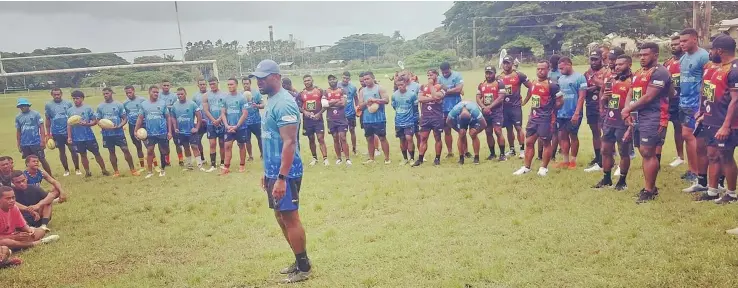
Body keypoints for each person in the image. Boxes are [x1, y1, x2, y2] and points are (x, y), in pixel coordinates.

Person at [250, 59, 311, 283]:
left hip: (287, 173)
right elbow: (270, 140)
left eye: (263, 78)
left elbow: (289, 143)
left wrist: (282, 178)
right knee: (280, 216)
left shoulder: (285, 103)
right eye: (256, 78)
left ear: (276, 76)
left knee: (290, 217)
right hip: (274, 172)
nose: (259, 82)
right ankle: (298, 258)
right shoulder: (271, 101)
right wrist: (268, 173)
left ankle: (304, 267)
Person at [621, 42, 673, 203]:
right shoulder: (638, 72)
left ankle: (649, 191)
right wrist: (627, 108)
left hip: (655, 116)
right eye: (640, 55)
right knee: (643, 151)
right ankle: (650, 187)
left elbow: (649, 97)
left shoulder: (661, 72)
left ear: (655, 55)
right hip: (639, 116)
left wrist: (627, 109)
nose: (642, 57)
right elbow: (631, 91)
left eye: (646, 55)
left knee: (648, 151)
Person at [692, 35, 738, 203]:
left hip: (726, 123)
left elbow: (735, 99)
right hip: (712, 119)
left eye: (712, 49)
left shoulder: (734, 69)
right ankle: (712, 191)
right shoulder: (717, 68)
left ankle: (731, 194)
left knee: (725, 156)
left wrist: (726, 126)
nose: (710, 52)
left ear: (720, 50)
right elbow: (710, 93)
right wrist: (703, 112)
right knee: (713, 154)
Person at [592, 55, 634, 190]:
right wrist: (604, 99)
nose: (617, 67)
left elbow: (635, 103)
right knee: (605, 150)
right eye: (616, 64)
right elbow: (603, 98)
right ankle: (606, 179)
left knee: (623, 152)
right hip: (609, 120)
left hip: (623, 122)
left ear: (629, 65)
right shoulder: (611, 80)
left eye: (621, 64)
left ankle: (622, 181)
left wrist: (631, 123)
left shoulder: (632, 82)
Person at [514, 61, 562, 176]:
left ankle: (543, 168)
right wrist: (527, 105)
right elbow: (532, 94)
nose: (540, 71)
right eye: (538, 69)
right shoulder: (533, 82)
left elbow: (560, 102)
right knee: (529, 142)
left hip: (546, 118)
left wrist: (550, 110)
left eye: (543, 69)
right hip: (533, 118)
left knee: (546, 142)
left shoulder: (552, 85)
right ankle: (526, 167)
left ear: (548, 70)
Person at [678, 28, 710, 187]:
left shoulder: (704, 56)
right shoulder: (683, 58)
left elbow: (708, 80)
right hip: (683, 103)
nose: (681, 44)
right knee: (686, 136)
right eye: (680, 41)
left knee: (692, 137)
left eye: (684, 41)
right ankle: (692, 169)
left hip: (695, 104)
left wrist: (702, 105)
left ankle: (698, 172)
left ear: (695, 39)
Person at [0, 186, 59, 250]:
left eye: (13, 197)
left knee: (41, 231)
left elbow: (23, 226)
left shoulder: (14, 208)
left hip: (13, 237)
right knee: (5, 242)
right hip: (5, 240)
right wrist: (14, 237)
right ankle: (37, 243)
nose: (12, 200)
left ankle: (16, 247)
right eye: (8, 198)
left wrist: (30, 231)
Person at [67, 90, 110, 177]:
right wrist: (69, 137)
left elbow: (94, 121)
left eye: (77, 98)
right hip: (77, 138)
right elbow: (69, 125)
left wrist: (87, 124)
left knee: (97, 153)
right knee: (83, 155)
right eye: (74, 98)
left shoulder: (88, 108)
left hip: (89, 137)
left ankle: (104, 170)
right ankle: (87, 172)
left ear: (82, 99)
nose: (75, 100)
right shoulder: (70, 111)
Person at [97, 88, 138, 177]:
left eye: (107, 93)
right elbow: (98, 120)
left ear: (111, 93)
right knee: (111, 152)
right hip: (107, 134)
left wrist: (119, 126)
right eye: (104, 94)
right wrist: (103, 126)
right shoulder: (100, 106)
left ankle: (133, 170)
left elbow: (125, 118)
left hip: (118, 133)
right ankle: (116, 172)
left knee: (125, 150)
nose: (105, 95)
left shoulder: (118, 104)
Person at [555, 57, 587, 169]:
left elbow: (582, 97)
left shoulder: (580, 78)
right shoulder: (560, 79)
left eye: (562, 68)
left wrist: (577, 113)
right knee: (562, 135)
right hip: (561, 113)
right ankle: (565, 160)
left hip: (573, 113)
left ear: (569, 64)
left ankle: (573, 160)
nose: (560, 70)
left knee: (573, 135)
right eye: (559, 68)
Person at [135, 85, 172, 178]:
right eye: (154, 92)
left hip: (162, 132)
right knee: (150, 151)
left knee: (163, 151)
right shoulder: (144, 104)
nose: (156, 94)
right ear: (149, 92)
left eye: (157, 92)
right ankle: (150, 171)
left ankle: (162, 170)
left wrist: (170, 131)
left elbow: (168, 117)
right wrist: (135, 130)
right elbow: (140, 118)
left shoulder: (162, 103)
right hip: (150, 133)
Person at [499, 56, 532, 159]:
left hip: (515, 106)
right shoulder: (499, 77)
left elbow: (531, 86)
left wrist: (526, 100)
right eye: (504, 63)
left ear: (512, 63)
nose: (506, 65)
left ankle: (522, 150)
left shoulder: (519, 75)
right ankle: (512, 149)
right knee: (508, 129)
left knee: (518, 128)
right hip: (504, 107)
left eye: (508, 63)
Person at [582, 48, 610, 172]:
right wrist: (591, 88)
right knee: (595, 132)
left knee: (605, 132)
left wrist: (596, 85)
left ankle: (605, 159)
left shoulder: (606, 71)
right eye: (591, 59)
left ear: (601, 59)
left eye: (596, 59)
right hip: (591, 105)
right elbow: (583, 88)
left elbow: (605, 86)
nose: (593, 62)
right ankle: (598, 156)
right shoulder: (587, 73)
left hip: (603, 106)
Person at [412, 69, 445, 167]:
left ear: (437, 75)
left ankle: (437, 158)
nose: (429, 76)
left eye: (432, 75)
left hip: (437, 117)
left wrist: (431, 86)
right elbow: (420, 99)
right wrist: (433, 98)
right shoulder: (422, 86)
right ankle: (420, 159)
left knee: (437, 137)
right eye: (428, 75)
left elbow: (438, 96)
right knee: (423, 138)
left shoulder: (442, 86)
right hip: (425, 117)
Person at [358, 71, 392, 164]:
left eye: (368, 79)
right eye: (364, 79)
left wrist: (376, 100)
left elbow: (386, 100)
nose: (366, 81)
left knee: (382, 138)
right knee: (369, 138)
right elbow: (360, 105)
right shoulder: (362, 91)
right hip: (367, 119)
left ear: (373, 78)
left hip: (379, 118)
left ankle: (387, 158)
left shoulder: (379, 88)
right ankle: (371, 158)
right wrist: (366, 103)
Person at [44, 88, 79, 176]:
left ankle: (77, 168)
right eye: (55, 94)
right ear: (52, 95)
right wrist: (48, 134)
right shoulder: (48, 105)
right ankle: (66, 170)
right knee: (62, 151)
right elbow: (47, 119)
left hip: (68, 131)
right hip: (56, 132)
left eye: (58, 94)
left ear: (61, 94)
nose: (57, 96)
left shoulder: (68, 103)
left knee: (73, 150)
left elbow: (73, 117)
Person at [15, 98, 52, 176]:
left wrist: (42, 140)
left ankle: (50, 176)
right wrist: (18, 144)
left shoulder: (36, 114)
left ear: (28, 105)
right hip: (24, 143)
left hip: (36, 142)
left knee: (41, 159)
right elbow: (18, 131)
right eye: (20, 106)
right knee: (28, 161)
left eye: (24, 105)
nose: (22, 107)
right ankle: (31, 177)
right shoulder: (18, 117)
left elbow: (41, 127)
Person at [477, 66, 508, 161]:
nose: (488, 75)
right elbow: (478, 97)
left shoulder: (500, 83)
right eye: (487, 73)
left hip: (496, 111)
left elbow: (501, 97)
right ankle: (492, 153)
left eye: (490, 73)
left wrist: (490, 107)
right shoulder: (481, 84)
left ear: (494, 73)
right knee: (488, 132)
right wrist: (483, 107)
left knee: (498, 131)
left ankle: (502, 154)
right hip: (486, 112)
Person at [664, 35, 686, 168]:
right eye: (672, 44)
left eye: (677, 44)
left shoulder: (687, 61)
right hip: (669, 101)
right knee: (674, 128)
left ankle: (684, 156)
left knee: (683, 129)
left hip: (683, 100)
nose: (674, 46)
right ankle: (680, 156)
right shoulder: (667, 63)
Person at [221, 78, 249, 174]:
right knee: (227, 146)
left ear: (236, 85)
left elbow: (245, 114)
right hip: (229, 127)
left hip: (240, 127)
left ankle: (242, 165)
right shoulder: (225, 98)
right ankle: (226, 167)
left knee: (241, 145)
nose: (230, 86)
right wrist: (227, 125)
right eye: (228, 84)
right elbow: (223, 113)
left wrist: (237, 126)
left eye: (231, 84)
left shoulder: (242, 98)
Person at [170, 87, 203, 170]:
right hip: (181, 132)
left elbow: (199, 116)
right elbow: (173, 117)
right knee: (186, 147)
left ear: (185, 94)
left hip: (191, 131)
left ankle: (200, 165)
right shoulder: (175, 105)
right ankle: (189, 165)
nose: (180, 96)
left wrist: (197, 128)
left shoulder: (192, 104)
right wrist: (175, 127)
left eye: (181, 94)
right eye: (178, 94)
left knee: (194, 146)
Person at [438, 62, 466, 158]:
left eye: (446, 72)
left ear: (450, 68)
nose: (445, 74)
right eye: (443, 73)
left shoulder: (457, 75)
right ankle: (450, 152)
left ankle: (465, 151)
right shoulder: (439, 78)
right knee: (447, 130)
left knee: (461, 130)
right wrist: (453, 89)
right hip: (444, 107)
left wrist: (447, 90)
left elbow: (459, 89)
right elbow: (438, 91)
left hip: (457, 106)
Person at [299, 75, 329, 166]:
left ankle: (325, 159)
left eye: (308, 80)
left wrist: (319, 114)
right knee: (311, 139)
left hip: (318, 119)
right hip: (308, 120)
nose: (307, 82)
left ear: (312, 80)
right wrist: (305, 112)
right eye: (305, 81)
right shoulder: (301, 93)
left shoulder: (320, 91)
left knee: (320, 138)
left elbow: (325, 105)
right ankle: (314, 158)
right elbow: (299, 106)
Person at [123, 85, 153, 172]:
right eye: (127, 93)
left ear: (134, 91)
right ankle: (142, 166)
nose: (129, 94)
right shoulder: (125, 103)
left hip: (143, 125)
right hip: (132, 126)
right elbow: (125, 115)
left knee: (149, 146)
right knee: (138, 147)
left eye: (130, 92)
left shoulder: (142, 100)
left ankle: (155, 165)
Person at [323, 75, 351, 165]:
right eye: (330, 79)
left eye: (334, 79)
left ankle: (347, 159)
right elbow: (324, 104)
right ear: (328, 81)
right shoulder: (325, 91)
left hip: (341, 118)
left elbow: (343, 103)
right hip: (331, 119)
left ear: (337, 80)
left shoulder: (342, 90)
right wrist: (336, 101)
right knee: (335, 138)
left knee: (343, 137)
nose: (332, 81)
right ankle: (339, 158)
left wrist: (330, 102)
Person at [392, 76, 419, 165]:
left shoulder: (412, 94)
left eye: (402, 84)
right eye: (398, 85)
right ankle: (405, 158)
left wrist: (415, 118)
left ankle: (411, 158)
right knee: (402, 139)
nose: (400, 86)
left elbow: (415, 108)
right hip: (399, 121)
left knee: (409, 138)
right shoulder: (394, 95)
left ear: (405, 84)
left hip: (409, 121)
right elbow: (394, 106)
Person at [202, 77, 227, 172]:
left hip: (222, 122)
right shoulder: (205, 96)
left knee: (222, 143)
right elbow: (206, 110)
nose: (212, 86)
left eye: (214, 83)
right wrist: (213, 120)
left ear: (217, 82)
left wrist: (220, 119)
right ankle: (213, 164)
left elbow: (225, 109)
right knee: (212, 143)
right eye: (210, 84)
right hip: (211, 123)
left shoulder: (224, 95)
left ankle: (222, 163)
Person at [159, 79, 183, 167]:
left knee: (177, 142)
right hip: (163, 123)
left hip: (173, 122)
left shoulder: (174, 96)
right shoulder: (159, 96)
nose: (166, 87)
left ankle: (181, 160)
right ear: (161, 86)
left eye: (167, 85)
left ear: (170, 86)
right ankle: (167, 161)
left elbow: (177, 107)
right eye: (164, 85)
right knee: (165, 143)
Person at [242, 77, 264, 161]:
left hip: (256, 121)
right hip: (245, 122)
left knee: (260, 137)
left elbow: (263, 105)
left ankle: (262, 154)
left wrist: (257, 106)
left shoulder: (256, 93)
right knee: (247, 139)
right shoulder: (241, 94)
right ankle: (250, 156)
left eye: (247, 83)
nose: (246, 85)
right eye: (244, 84)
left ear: (250, 84)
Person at [337, 71, 359, 155]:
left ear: (349, 79)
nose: (345, 80)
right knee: (342, 132)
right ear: (341, 77)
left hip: (351, 113)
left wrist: (357, 107)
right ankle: (343, 148)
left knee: (352, 130)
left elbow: (356, 98)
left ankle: (354, 148)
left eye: (347, 78)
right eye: (344, 78)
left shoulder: (353, 87)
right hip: (340, 113)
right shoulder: (337, 86)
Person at [190, 79, 209, 170]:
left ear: (206, 85)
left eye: (204, 84)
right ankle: (202, 158)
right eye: (201, 84)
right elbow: (193, 109)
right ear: (198, 85)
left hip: (210, 121)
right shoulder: (195, 96)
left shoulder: (210, 94)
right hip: (200, 122)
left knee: (213, 141)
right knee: (197, 140)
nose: (202, 86)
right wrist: (197, 120)